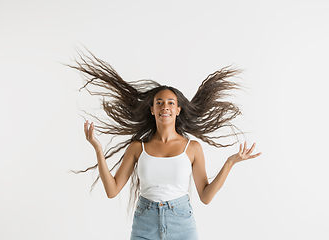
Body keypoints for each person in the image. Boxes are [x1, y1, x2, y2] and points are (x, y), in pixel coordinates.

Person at [69, 49, 262, 240]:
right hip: (145, 223)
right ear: (152, 109)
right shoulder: (138, 148)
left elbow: (205, 196)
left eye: (170, 103)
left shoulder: (192, 148)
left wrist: (230, 163)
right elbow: (112, 191)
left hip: (182, 224)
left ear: (178, 110)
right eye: (159, 103)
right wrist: (98, 149)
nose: (165, 107)